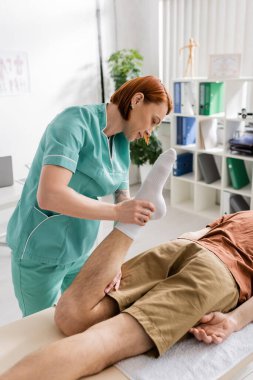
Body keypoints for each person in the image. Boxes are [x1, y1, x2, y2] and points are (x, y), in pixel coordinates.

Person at [2, 203, 253, 379]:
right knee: (105, 340)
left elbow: (193, 234)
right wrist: (233, 320)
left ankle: (125, 231)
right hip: (221, 270)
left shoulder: (243, 213)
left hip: (180, 247)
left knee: (72, 317)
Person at [6, 75, 172, 317]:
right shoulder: (73, 123)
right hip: (39, 249)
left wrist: (111, 260)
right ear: (137, 100)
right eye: (153, 121)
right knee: (39, 328)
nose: (149, 132)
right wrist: (117, 212)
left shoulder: (122, 142)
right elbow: (50, 195)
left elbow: (122, 197)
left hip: (82, 248)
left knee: (79, 317)